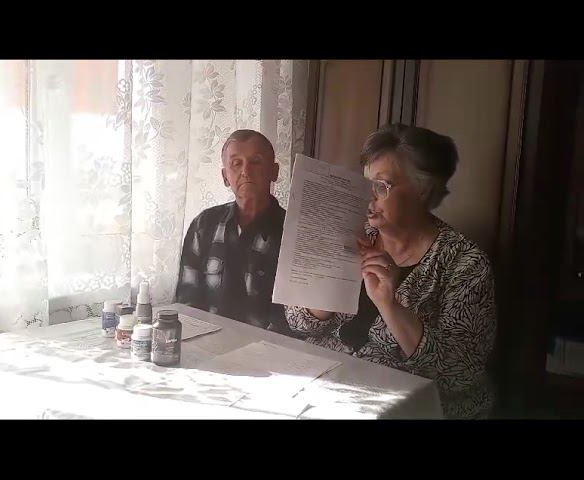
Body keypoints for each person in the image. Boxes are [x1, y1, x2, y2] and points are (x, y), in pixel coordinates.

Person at [285, 123, 497, 418]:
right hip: (325, 386)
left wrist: (390, 305)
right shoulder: (352, 233)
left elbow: (460, 375)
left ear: (423, 190)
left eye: (381, 186)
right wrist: (323, 299)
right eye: (365, 183)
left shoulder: (465, 263)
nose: (367, 196)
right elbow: (297, 323)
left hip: (409, 405)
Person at [176, 129, 291, 334]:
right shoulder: (204, 225)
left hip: (269, 348)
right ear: (225, 176)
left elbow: (294, 319)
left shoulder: (293, 232)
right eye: (236, 163)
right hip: (207, 342)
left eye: (256, 162)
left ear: (274, 171)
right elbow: (187, 300)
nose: (246, 171)